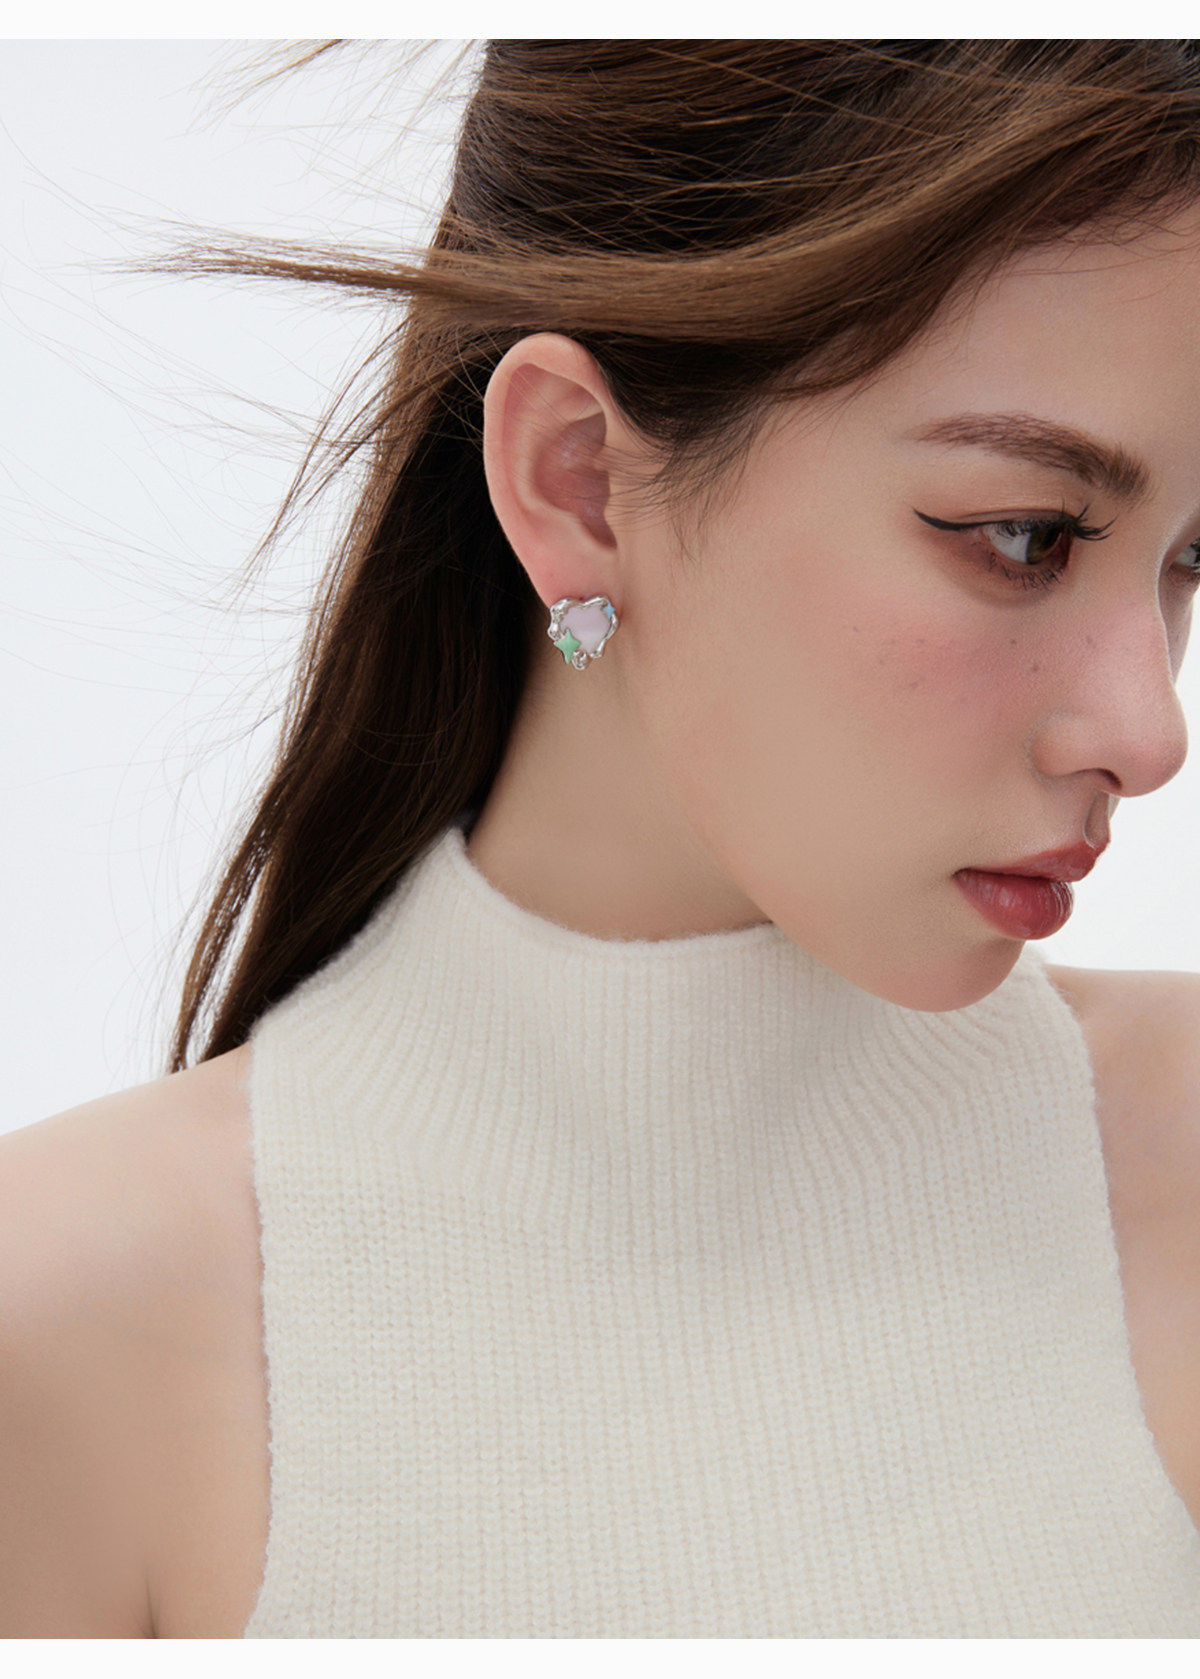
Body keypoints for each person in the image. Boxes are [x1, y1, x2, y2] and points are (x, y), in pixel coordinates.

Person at [2, 38, 1199, 1639]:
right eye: (1024, 536)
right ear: (578, 481)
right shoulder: (63, 1320)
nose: (1149, 730)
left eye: (1193, 561)